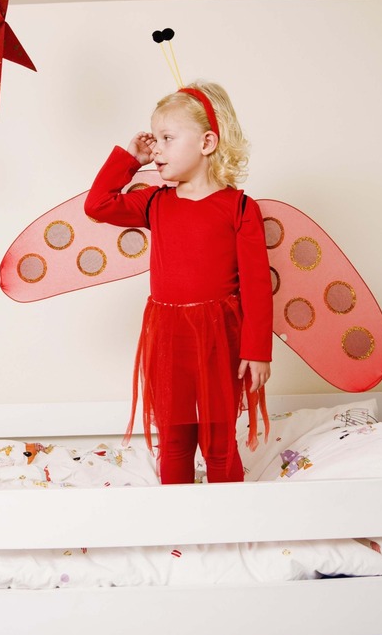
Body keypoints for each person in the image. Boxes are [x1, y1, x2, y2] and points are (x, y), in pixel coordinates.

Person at [84, 82, 272, 484]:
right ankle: (178, 527)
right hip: (169, 337)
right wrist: (130, 159)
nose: (157, 149)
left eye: (167, 138)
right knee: (174, 439)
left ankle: (229, 528)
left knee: (219, 442)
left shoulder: (239, 207)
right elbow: (96, 205)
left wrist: (258, 350)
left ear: (207, 142)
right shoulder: (154, 201)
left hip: (221, 337)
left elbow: (257, 286)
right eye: (155, 141)